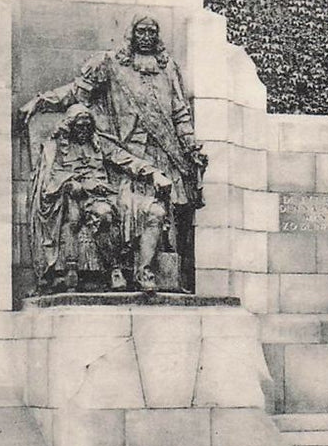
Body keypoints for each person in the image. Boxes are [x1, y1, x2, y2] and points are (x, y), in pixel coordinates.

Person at [20, 15, 207, 291]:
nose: (146, 36)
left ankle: (163, 278)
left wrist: (191, 146)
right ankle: (124, 272)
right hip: (124, 157)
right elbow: (77, 92)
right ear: (131, 34)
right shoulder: (110, 64)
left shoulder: (168, 69)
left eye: (151, 32)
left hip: (164, 154)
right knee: (132, 214)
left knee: (168, 217)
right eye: (141, 31)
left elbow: (179, 112)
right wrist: (40, 101)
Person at [30, 104, 171, 293]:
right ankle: (114, 269)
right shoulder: (55, 148)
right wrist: (73, 183)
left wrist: (154, 174)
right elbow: (49, 179)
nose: (84, 130)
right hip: (85, 199)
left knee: (156, 212)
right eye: (79, 126)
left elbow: (128, 160)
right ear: (70, 126)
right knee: (103, 213)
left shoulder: (99, 142)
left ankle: (143, 273)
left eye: (88, 126)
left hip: (113, 194)